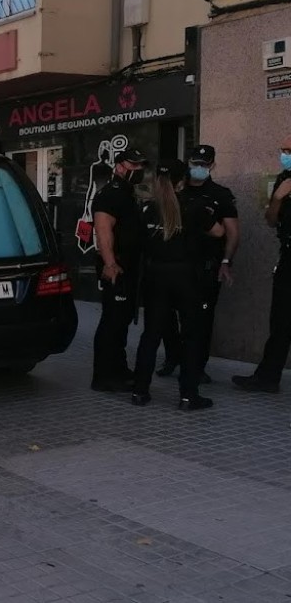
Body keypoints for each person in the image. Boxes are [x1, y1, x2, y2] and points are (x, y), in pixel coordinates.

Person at [131, 160, 223, 410]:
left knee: (151, 335)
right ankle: (187, 395)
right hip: (186, 276)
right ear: (182, 181)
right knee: (191, 335)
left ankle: (139, 391)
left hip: (155, 275)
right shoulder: (194, 206)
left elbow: (138, 242)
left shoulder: (147, 208)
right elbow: (218, 232)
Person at [157, 145, 238, 382]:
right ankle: (173, 357)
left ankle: (196, 366)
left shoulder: (220, 194)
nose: (198, 168)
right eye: (194, 163)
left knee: (201, 319)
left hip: (205, 265)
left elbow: (232, 233)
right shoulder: (177, 192)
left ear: (212, 165)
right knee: (167, 316)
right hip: (175, 264)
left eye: (203, 164)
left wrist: (226, 262)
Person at [233, 135, 291, 393]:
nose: (284, 154)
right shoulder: (283, 179)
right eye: (283, 149)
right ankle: (267, 377)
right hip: (288, 256)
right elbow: (270, 220)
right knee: (281, 320)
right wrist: (278, 198)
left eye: (288, 150)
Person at [90, 147, 148, 392]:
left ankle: (119, 368)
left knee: (121, 320)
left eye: (141, 166)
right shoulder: (111, 194)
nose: (139, 170)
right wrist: (110, 264)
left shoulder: (126, 192)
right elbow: (103, 230)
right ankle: (105, 375)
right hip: (117, 266)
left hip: (129, 266)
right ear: (121, 165)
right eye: (134, 166)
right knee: (112, 320)